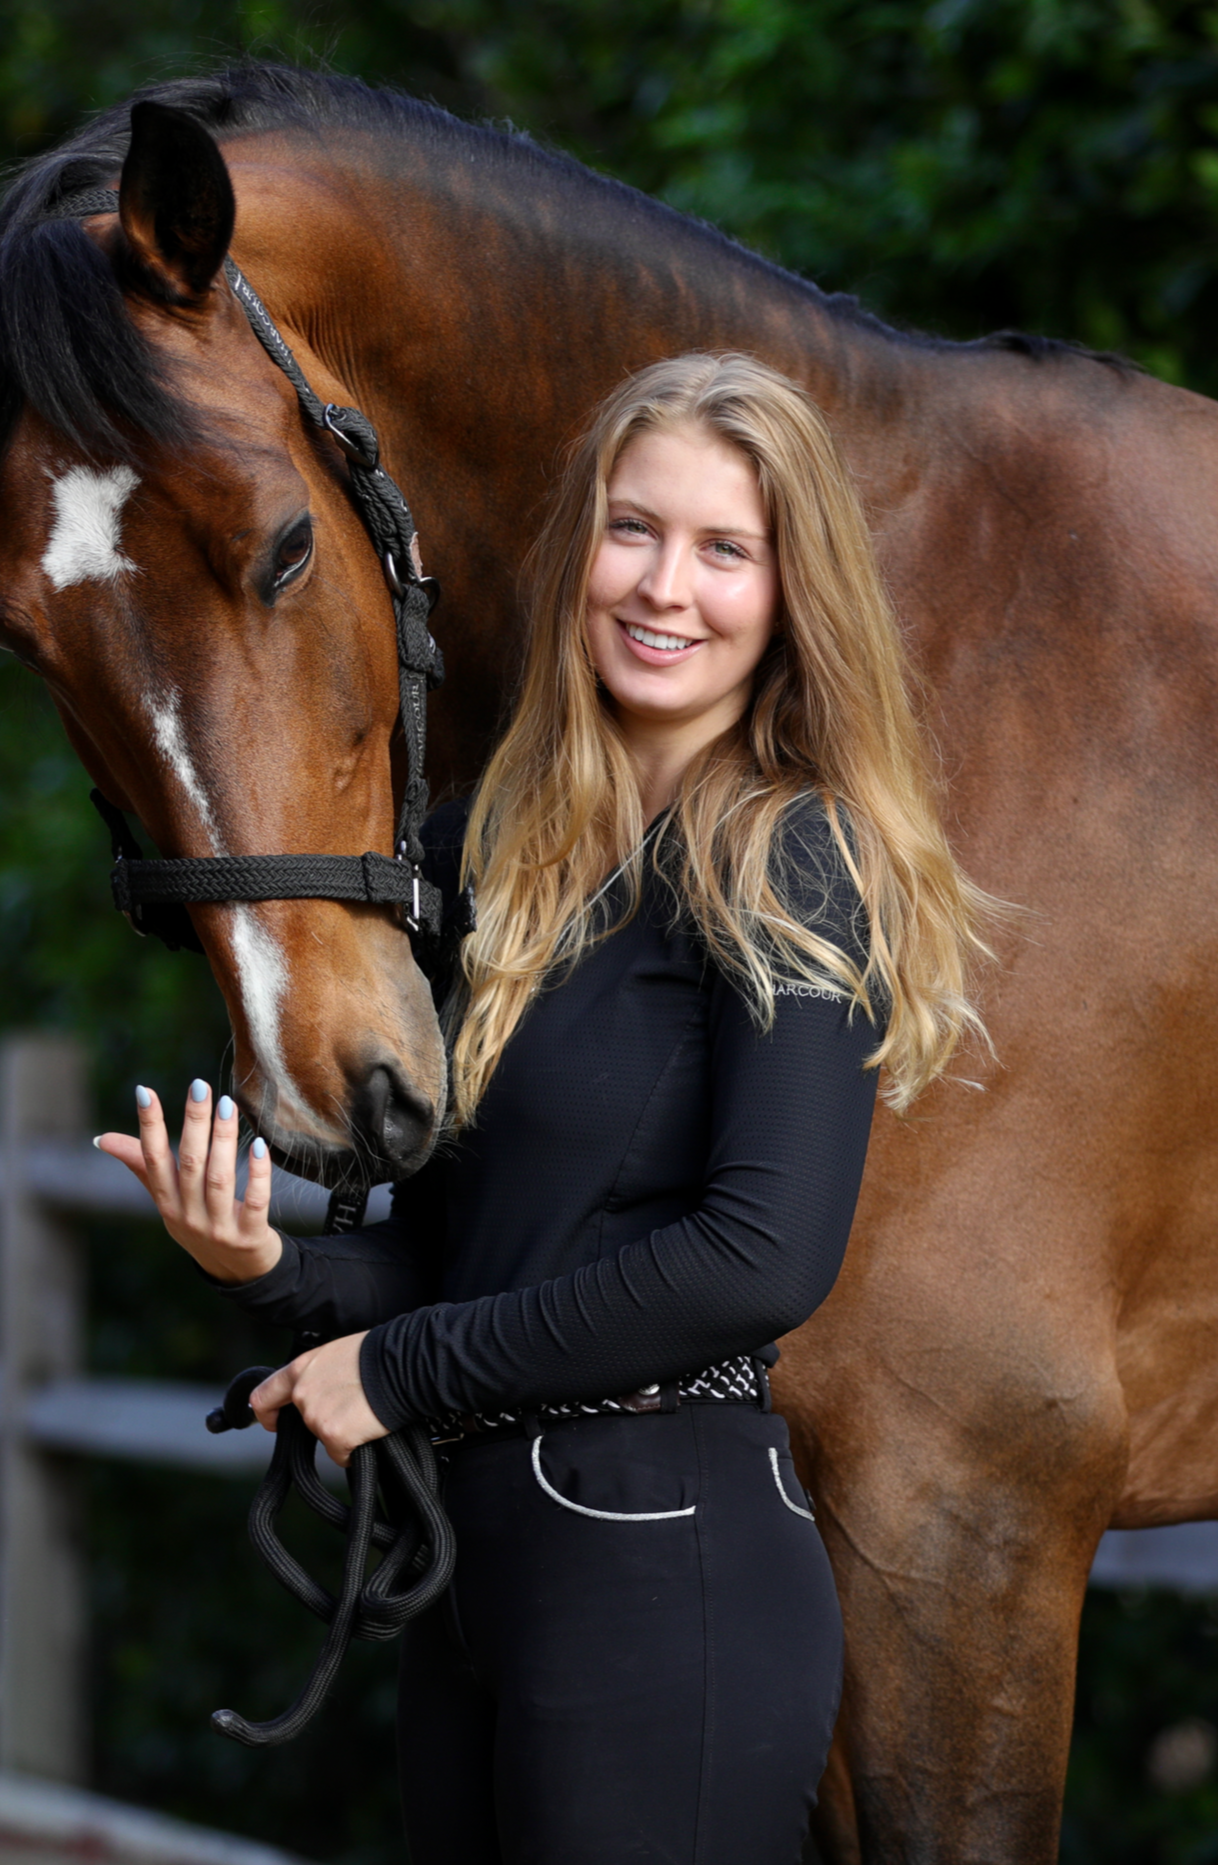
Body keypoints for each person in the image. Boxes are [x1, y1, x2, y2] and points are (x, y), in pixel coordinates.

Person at [96, 353, 991, 1864]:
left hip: (666, 1564)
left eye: (725, 548)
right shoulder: (490, 863)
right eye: (633, 530)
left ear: (791, 594)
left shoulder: (797, 857)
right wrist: (266, 1265)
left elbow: (762, 1257)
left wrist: (401, 1370)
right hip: (477, 1571)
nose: (665, 586)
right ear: (581, 547)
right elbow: (468, 1258)